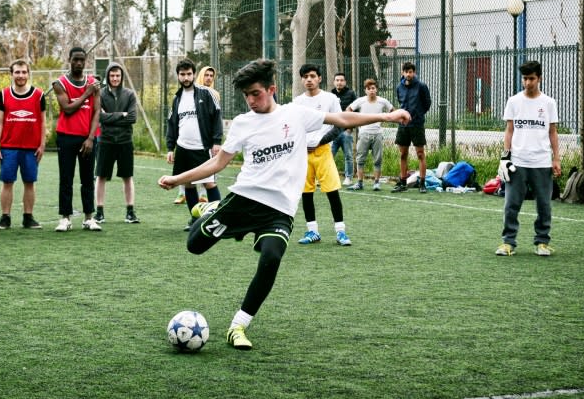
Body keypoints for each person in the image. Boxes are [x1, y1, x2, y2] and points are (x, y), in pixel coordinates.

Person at [158, 59, 410, 350]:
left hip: (279, 210)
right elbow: (218, 162)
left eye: (256, 93)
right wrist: (178, 179)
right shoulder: (243, 123)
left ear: (271, 89)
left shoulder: (295, 114)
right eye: (246, 96)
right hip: (244, 200)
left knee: (271, 258)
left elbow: (342, 120)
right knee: (194, 246)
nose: (251, 100)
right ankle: (211, 209)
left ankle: (238, 325)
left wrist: (388, 118)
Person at [495, 60, 561, 257]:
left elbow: (553, 133)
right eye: (525, 78)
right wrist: (505, 158)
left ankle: (542, 242)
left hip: (541, 162)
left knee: (544, 205)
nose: (528, 82)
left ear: (539, 78)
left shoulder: (549, 103)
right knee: (511, 204)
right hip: (518, 162)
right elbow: (509, 131)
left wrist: (556, 159)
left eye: (531, 78)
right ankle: (508, 242)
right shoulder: (513, 101)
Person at [293, 64, 352, 246]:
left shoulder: (330, 98)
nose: (309, 79)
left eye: (312, 76)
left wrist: (321, 141)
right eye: (305, 77)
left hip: (324, 151)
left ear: (319, 78)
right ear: (302, 80)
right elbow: (294, 128)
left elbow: (340, 124)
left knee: (332, 191)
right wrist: (302, 143)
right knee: (306, 192)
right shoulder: (297, 102)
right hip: (303, 154)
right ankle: (312, 231)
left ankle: (341, 232)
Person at [166, 58, 223, 229]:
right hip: (183, 148)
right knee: (188, 184)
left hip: (202, 148)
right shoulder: (177, 98)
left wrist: (216, 142)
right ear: (178, 76)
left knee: (209, 183)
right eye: (182, 74)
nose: (186, 78)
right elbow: (172, 124)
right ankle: (195, 219)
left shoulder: (206, 94)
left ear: (194, 74)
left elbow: (216, 117)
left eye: (189, 74)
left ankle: (217, 219)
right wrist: (170, 148)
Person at [0, 60, 46, 230]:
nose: (20, 75)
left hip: (31, 148)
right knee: (7, 182)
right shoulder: (3, 95)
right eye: (17, 72)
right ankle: (5, 217)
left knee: (29, 182)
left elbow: (43, 122)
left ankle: (28, 217)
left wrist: (42, 145)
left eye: (23, 72)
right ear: (11, 74)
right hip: (9, 147)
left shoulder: (38, 95)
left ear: (28, 74)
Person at [52, 47, 101, 232]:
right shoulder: (60, 83)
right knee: (66, 178)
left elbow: (96, 111)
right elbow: (68, 108)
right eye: (75, 59)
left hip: (87, 138)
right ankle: (65, 218)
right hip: (66, 137)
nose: (79, 63)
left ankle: (89, 217)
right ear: (69, 60)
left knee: (87, 179)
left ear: (86, 60)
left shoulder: (93, 83)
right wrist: (86, 93)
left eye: (82, 59)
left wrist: (90, 138)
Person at [94, 62, 140, 224]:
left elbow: (132, 118)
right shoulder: (100, 94)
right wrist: (121, 115)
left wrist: (111, 117)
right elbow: (99, 117)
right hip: (106, 141)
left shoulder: (129, 94)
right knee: (101, 176)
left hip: (125, 141)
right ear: (107, 76)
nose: (115, 78)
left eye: (117, 75)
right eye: (112, 75)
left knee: (127, 177)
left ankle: (130, 212)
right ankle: (99, 212)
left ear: (122, 77)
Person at [347, 79, 394, 191]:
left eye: (373, 88)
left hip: (377, 134)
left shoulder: (383, 101)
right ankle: (359, 182)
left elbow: (393, 111)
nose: (371, 90)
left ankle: (376, 183)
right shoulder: (360, 101)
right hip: (364, 134)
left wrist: (387, 118)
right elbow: (348, 109)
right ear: (365, 90)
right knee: (360, 159)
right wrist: (354, 121)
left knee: (377, 160)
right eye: (369, 89)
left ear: (376, 89)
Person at [392, 61, 431, 194]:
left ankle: (422, 183)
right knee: (403, 154)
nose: (409, 74)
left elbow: (427, 103)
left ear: (414, 73)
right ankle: (403, 182)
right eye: (406, 72)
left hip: (417, 125)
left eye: (411, 72)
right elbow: (400, 101)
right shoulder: (399, 87)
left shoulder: (421, 86)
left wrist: (417, 115)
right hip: (403, 126)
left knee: (420, 154)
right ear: (403, 73)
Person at [330, 72, 357, 186]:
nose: (339, 82)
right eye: (337, 80)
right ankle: (328, 178)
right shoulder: (330, 95)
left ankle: (348, 177)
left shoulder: (351, 94)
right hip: (333, 132)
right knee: (329, 155)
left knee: (348, 156)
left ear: (345, 82)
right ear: (334, 82)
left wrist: (350, 128)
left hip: (346, 131)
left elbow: (356, 112)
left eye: (341, 80)